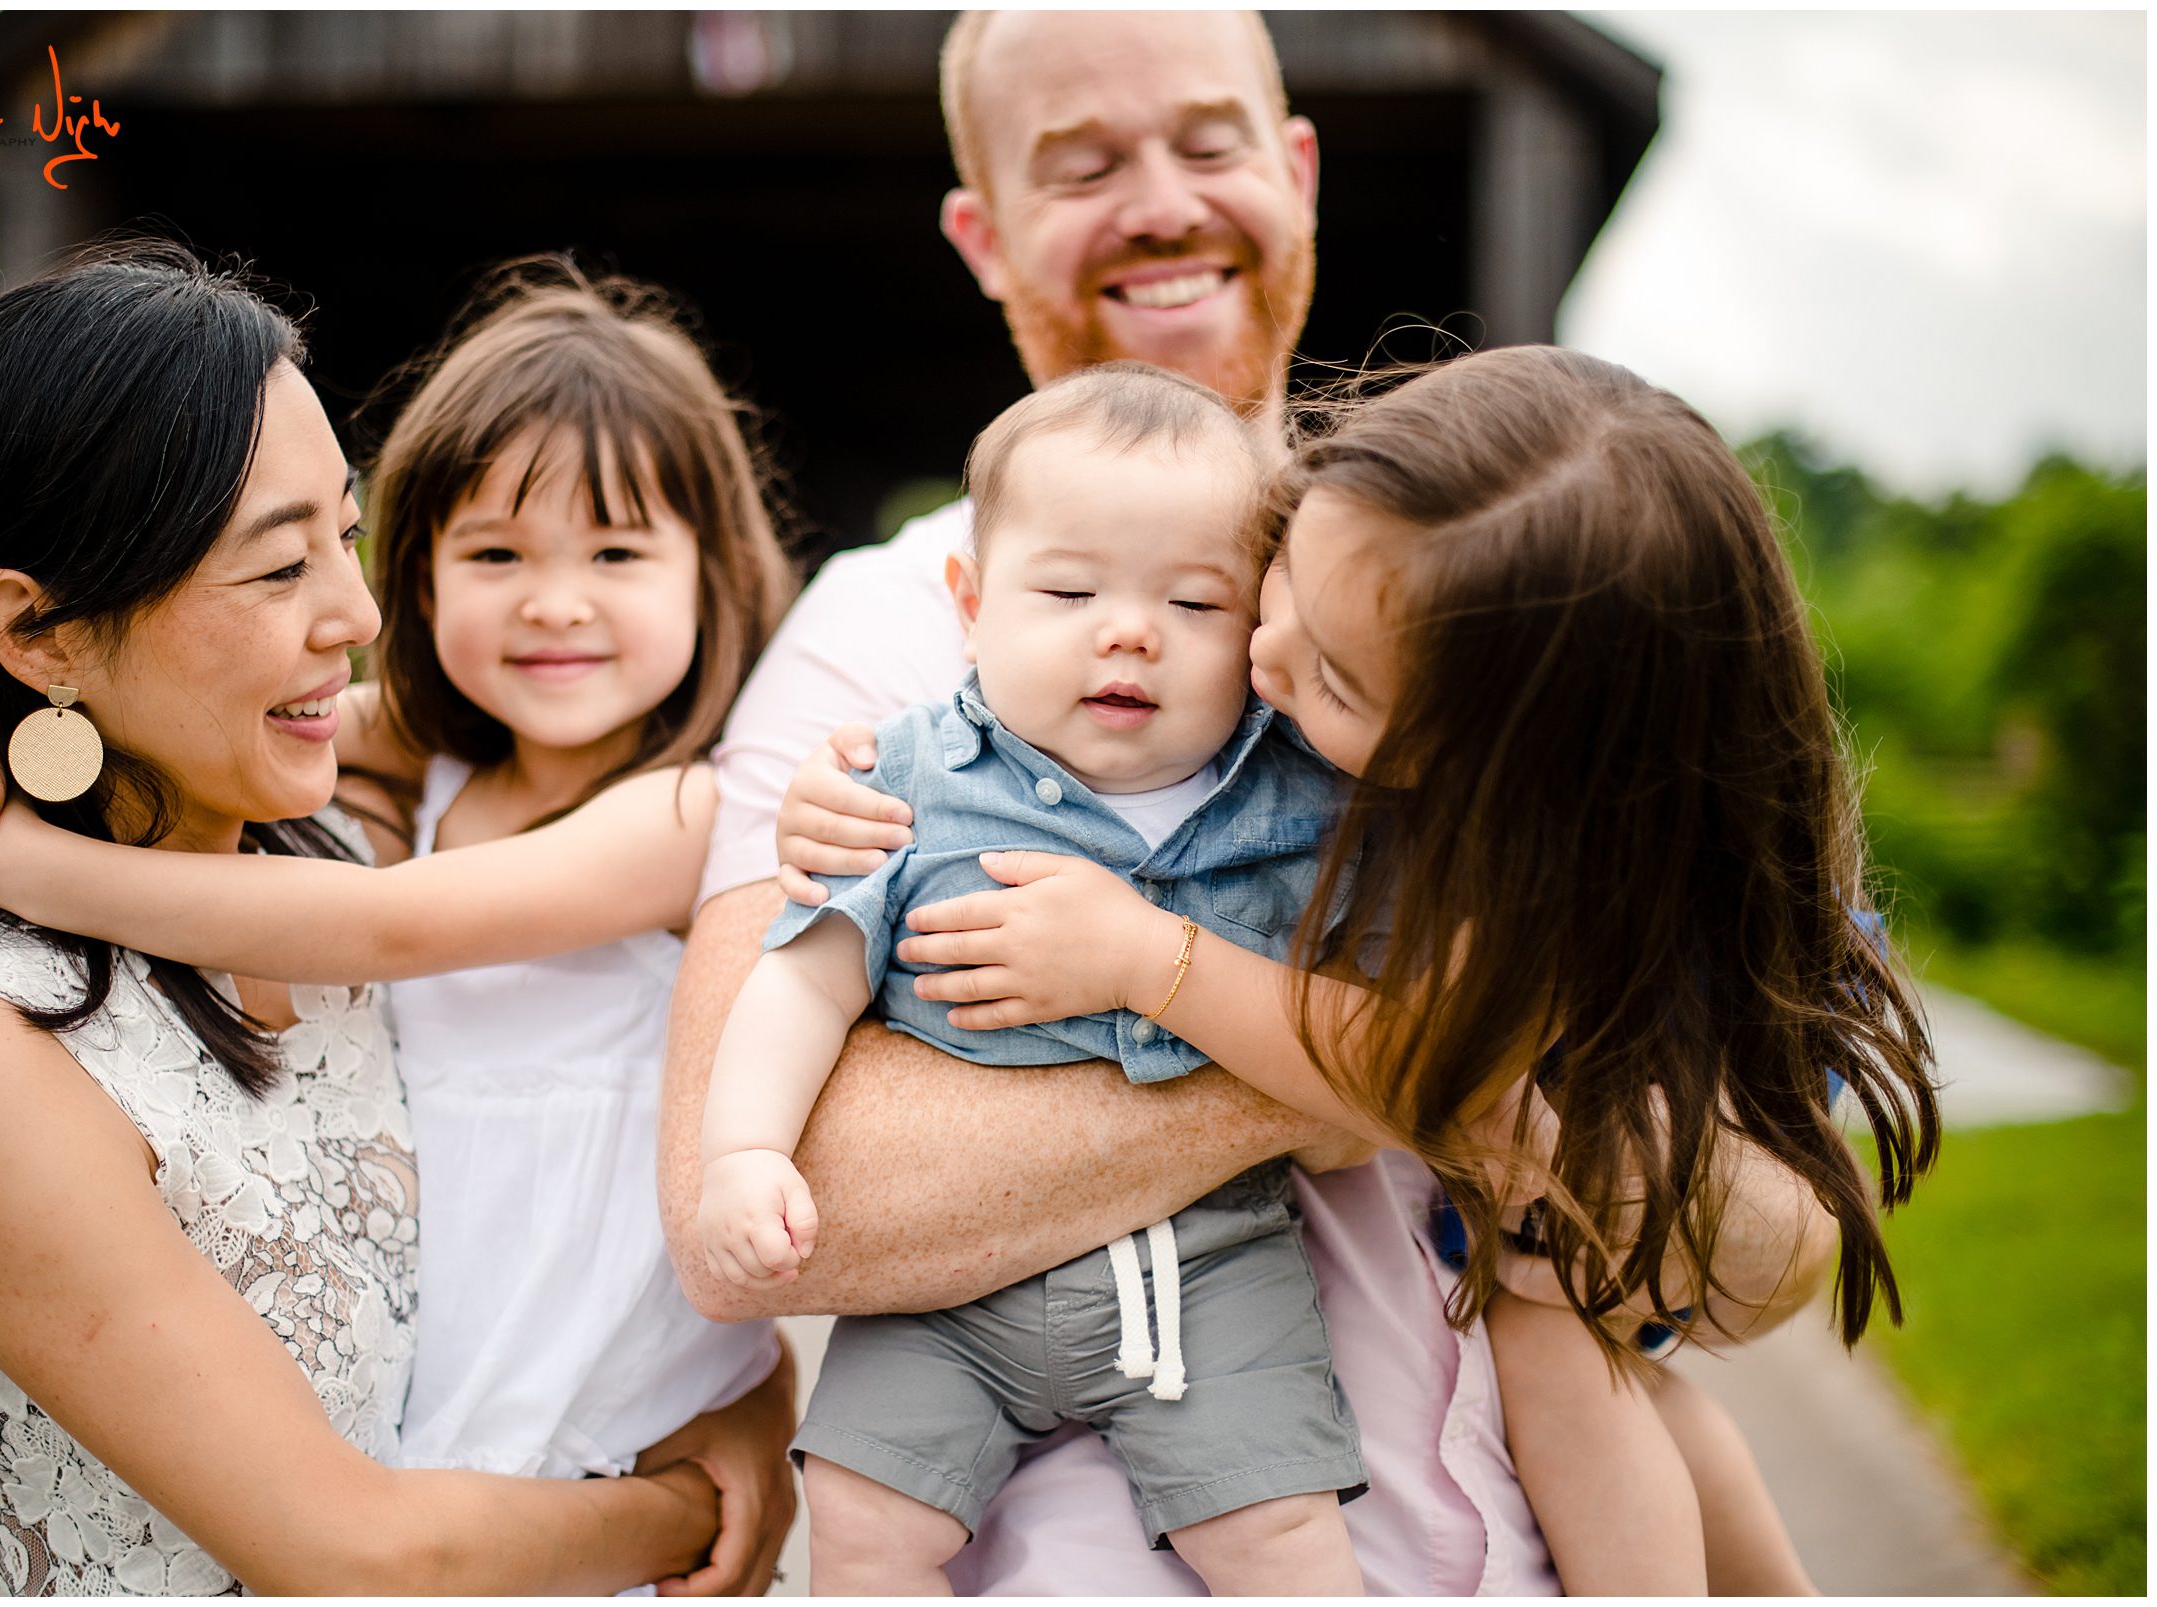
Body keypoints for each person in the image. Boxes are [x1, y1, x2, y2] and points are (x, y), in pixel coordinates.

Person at [659, 9, 1839, 1595]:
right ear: (982, 234)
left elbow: (1759, 1244)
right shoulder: (883, 646)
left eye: (1208, 142)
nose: (1161, 200)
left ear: (1295, 172)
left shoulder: (1484, 583)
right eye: (1082, 165)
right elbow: (791, 1202)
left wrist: (1480, 1066)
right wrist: (1432, 1061)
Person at [776, 348, 1942, 1594]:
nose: (1265, 657)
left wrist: (1150, 958)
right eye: (1274, 582)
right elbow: (1013, 747)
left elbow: (1430, 1071)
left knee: (1580, 1363)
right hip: (1393, 1306)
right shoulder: (1321, 637)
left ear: (1496, 769)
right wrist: (867, 793)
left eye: (1334, 678)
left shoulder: (1548, 880)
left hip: (1553, 1272)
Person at [0, 244, 793, 1596]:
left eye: (349, 534)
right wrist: (693, 1508)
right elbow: (350, 1550)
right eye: (275, 570)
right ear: (39, 630)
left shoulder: (331, 828)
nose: (362, 616)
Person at [702, 366, 1368, 1593]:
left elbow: (1384, 1025)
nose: (1128, 628)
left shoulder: (1300, 799)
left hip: (1210, 1260)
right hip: (946, 1291)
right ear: (970, 603)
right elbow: (802, 980)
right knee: (856, 1514)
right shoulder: (899, 778)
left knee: (1281, 1526)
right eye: (1067, 589)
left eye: (1194, 600)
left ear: (1266, 639)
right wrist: (745, 1151)